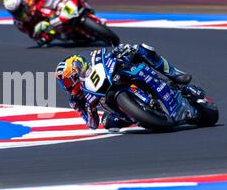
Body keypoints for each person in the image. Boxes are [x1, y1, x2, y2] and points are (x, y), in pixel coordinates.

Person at [55, 43, 192, 131]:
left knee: (140, 49)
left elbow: (104, 56)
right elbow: (92, 124)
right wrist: (90, 111)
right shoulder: (75, 100)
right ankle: (139, 116)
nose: (68, 85)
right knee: (107, 123)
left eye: (69, 79)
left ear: (79, 68)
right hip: (112, 104)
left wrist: (120, 51)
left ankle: (174, 73)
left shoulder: (92, 61)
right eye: (64, 83)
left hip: (112, 76)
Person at [3, 0, 77, 46]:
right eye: (15, 12)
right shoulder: (19, 22)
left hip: (55, 9)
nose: (18, 13)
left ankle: (66, 2)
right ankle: (64, 32)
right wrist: (37, 29)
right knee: (43, 40)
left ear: (23, 2)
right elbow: (32, 36)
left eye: (19, 9)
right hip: (48, 25)